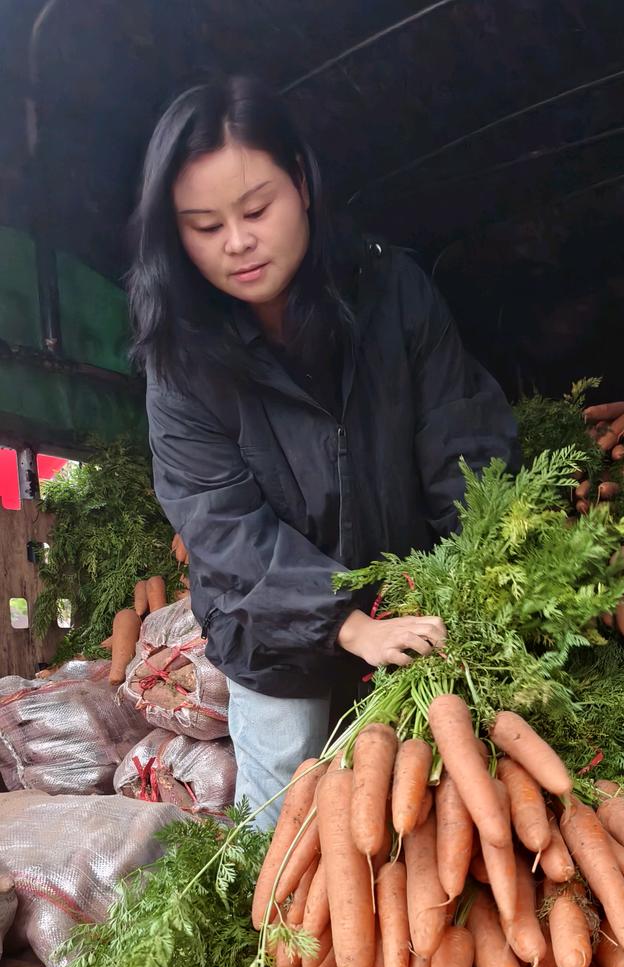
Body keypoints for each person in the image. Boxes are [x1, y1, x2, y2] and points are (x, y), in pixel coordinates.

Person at [129, 76, 518, 828]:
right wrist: (347, 619)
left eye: (256, 209)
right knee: (287, 830)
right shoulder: (180, 362)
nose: (236, 242)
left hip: (413, 604)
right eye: (203, 226)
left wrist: (466, 578)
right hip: (271, 635)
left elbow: (459, 439)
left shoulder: (391, 291)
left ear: (302, 183)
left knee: (434, 822)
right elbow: (222, 528)